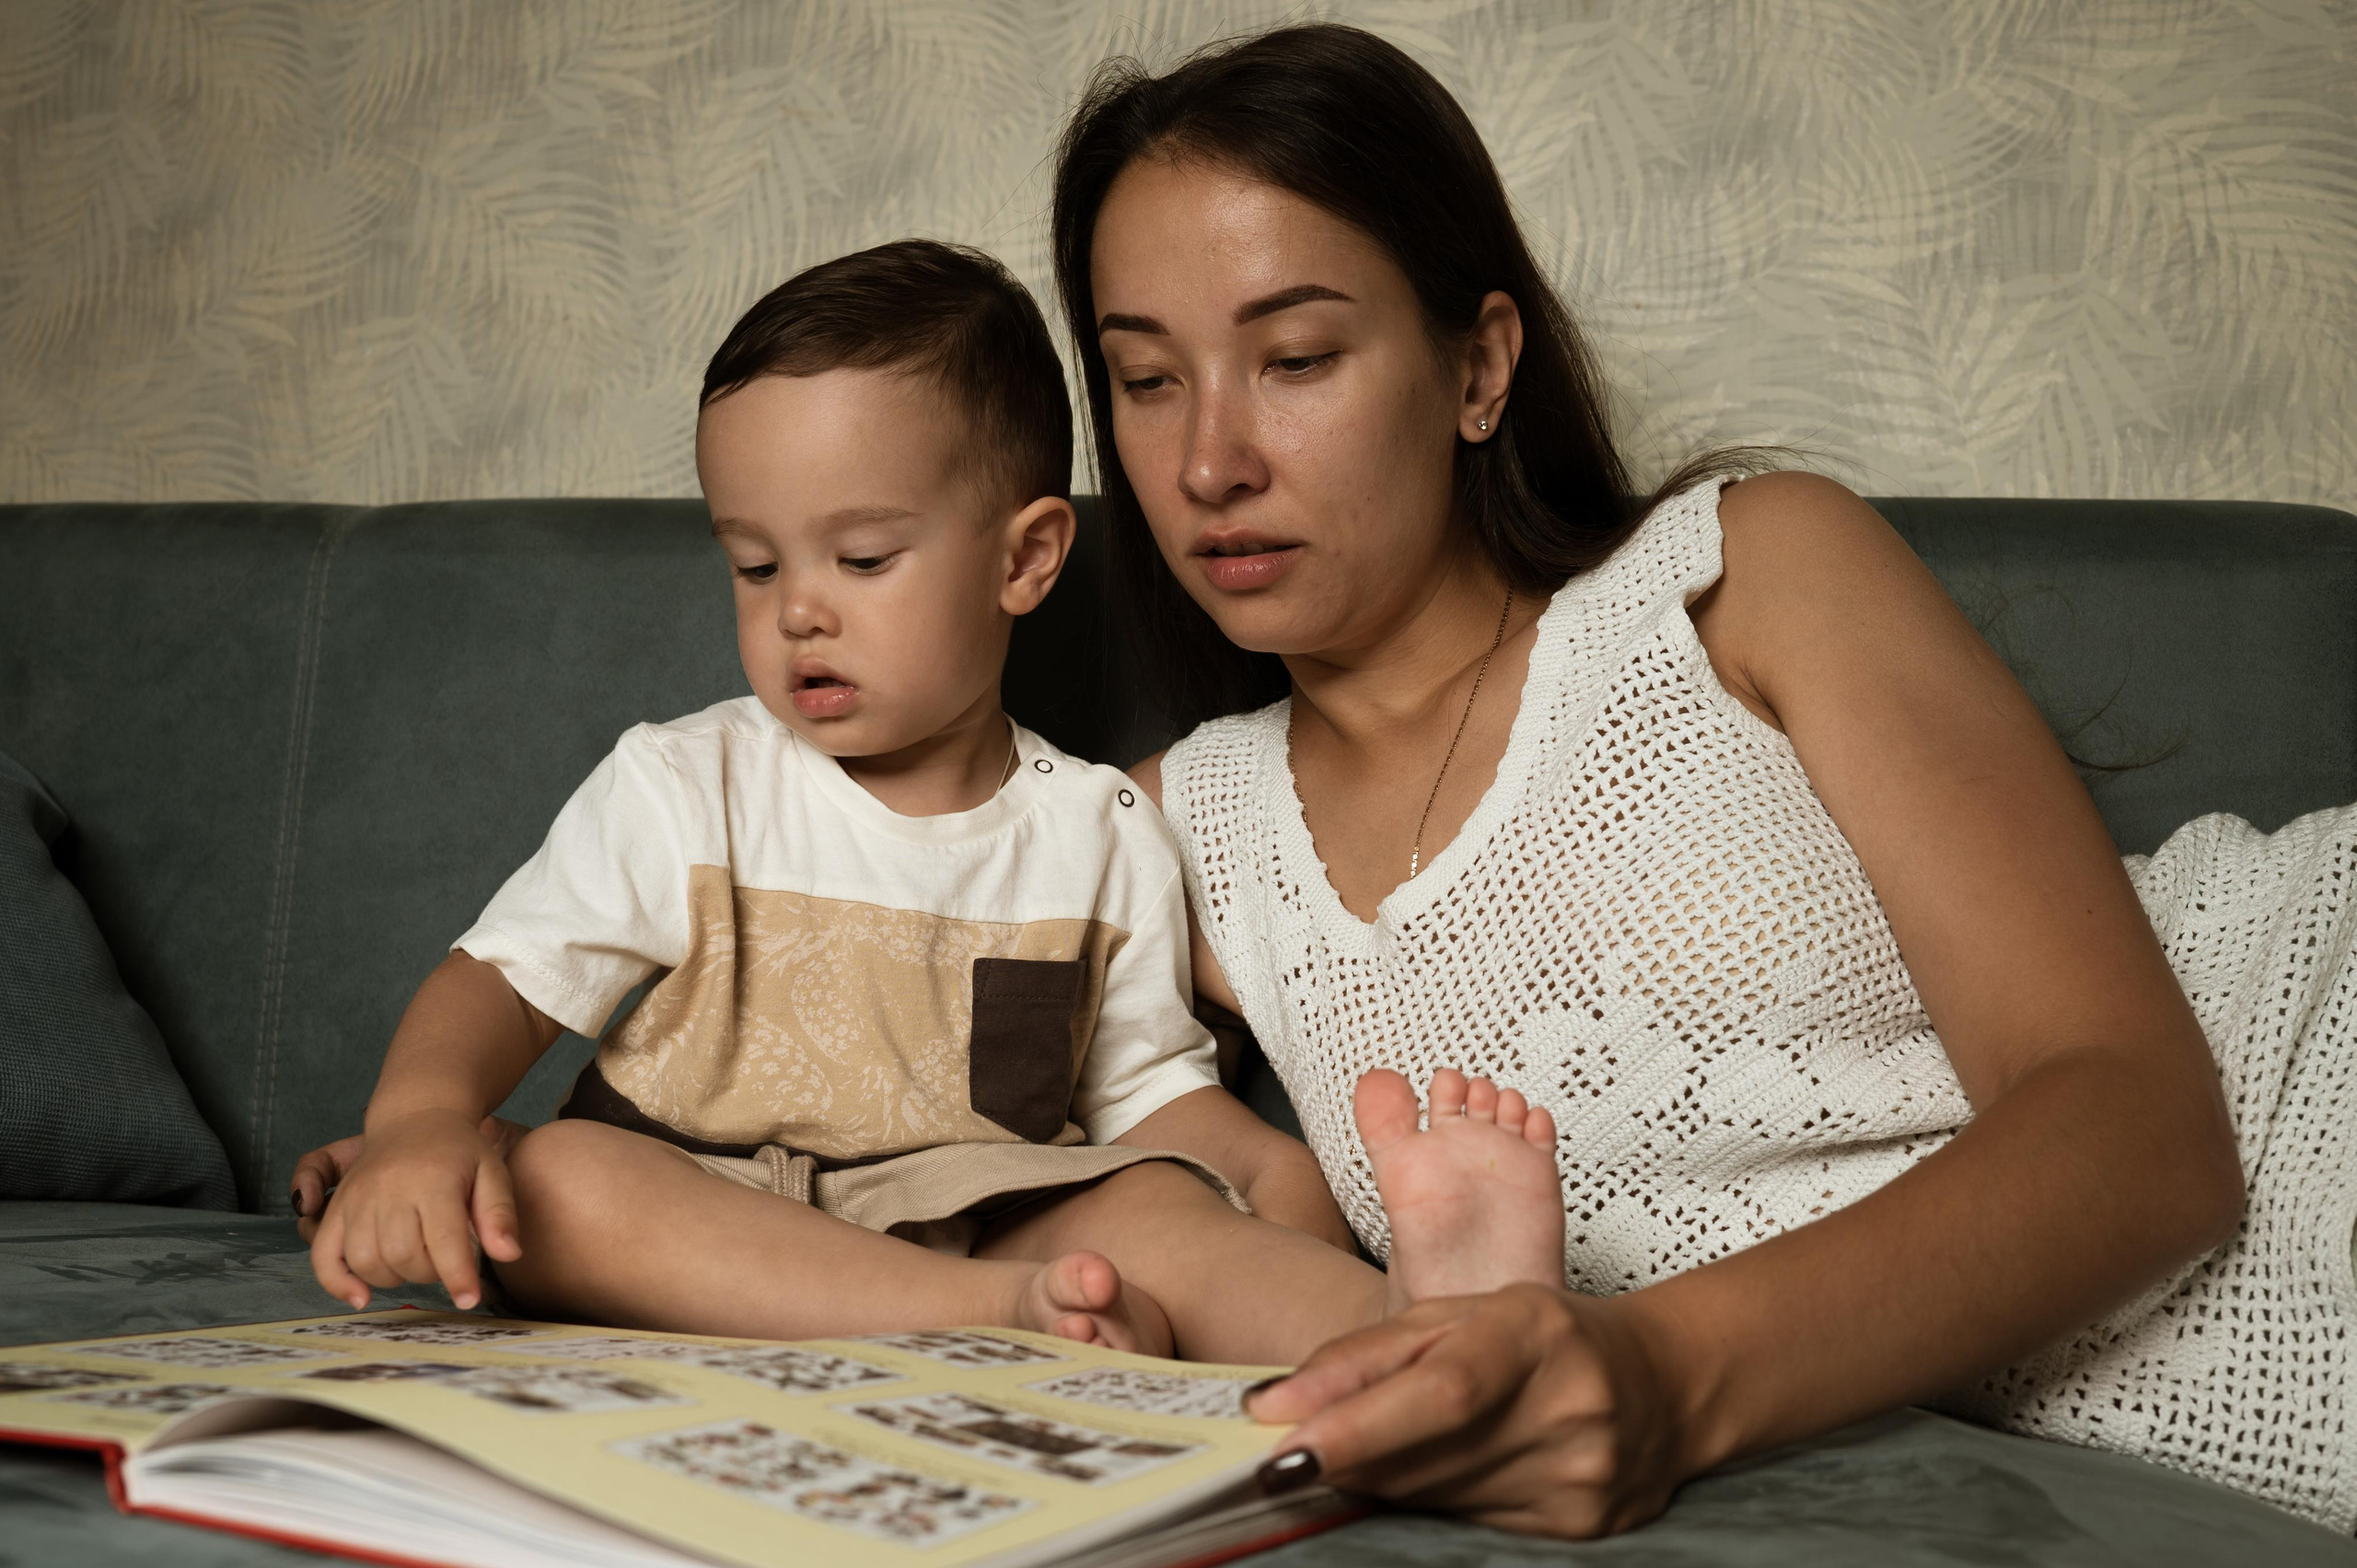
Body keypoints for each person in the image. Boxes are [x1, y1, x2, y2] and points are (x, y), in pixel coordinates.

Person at [1045, 20, 2355, 1537]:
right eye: (1146, 379)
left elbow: (2143, 1135)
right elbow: (905, 1125)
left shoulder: (1743, 574)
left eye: (1295, 359)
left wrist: (1661, 1372)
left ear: (1479, 368)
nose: (1209, 462)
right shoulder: (1165, 836)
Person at [298, 238, 1567, 1370]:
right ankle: (982, 1317)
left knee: (1157, 1209)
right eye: (755, 565)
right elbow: (501, 982)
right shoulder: (687, 784)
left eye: (861, 559)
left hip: (983, 1213)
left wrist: (1274, 1182)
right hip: (705, 1206)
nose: (800, 609)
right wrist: (419, 1127)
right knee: (557, 1180)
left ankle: (1432, 1339)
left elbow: (1146, 1099)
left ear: (1025, 559)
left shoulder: (1096, 832)